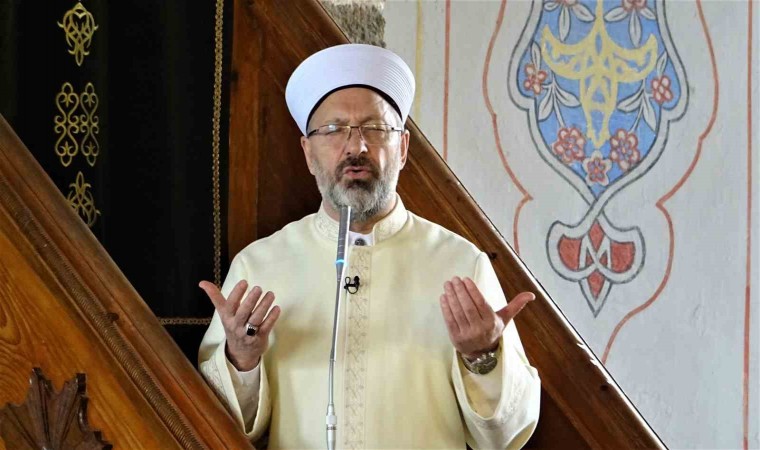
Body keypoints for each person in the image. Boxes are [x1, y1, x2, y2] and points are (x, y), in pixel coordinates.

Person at [198, 43, 540, 449]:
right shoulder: (260, 266)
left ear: (403, 148)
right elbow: (213, 428)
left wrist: (481, 357)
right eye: (333, 130)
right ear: (308, 153)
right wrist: (241, 359)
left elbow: (506, 437)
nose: (356, 147)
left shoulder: (461, 264)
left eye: (375, 129)